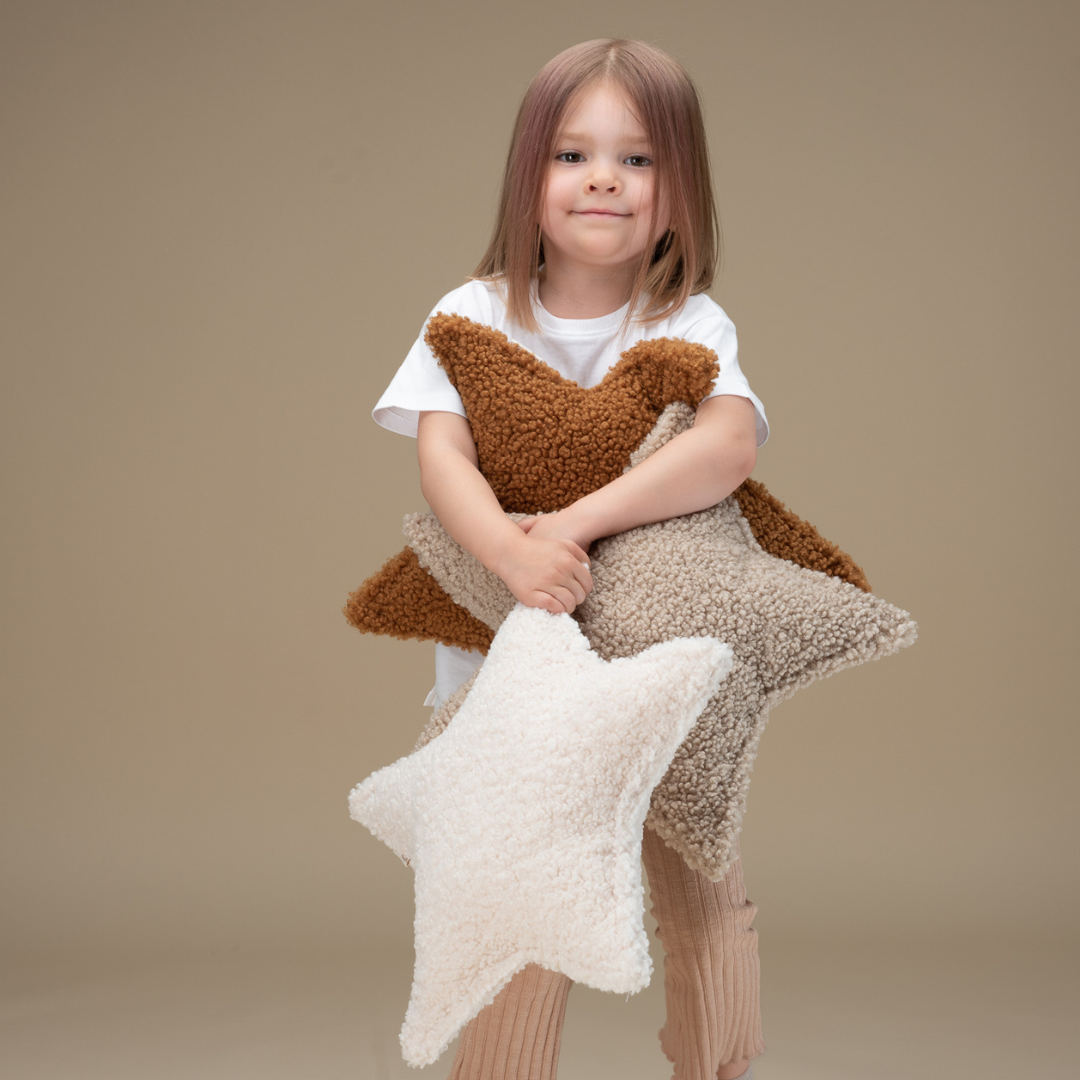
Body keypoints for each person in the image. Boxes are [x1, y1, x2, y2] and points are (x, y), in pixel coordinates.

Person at [372, 39, 769, 1080]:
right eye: (572, 155)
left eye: (637, 159)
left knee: (705, 899)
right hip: (511, 688)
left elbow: (726, 446)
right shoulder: (472, 315)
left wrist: (575, 522)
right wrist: (511, 553)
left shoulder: (690, 323)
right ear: (527, 177)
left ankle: (720, 1064)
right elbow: (443, 457)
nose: (603, 179)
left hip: (661, 677)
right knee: (516, 912)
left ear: (680, 191)